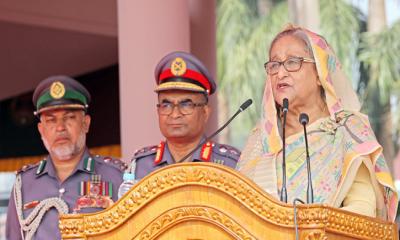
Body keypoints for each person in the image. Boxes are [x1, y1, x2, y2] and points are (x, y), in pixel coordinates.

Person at [236, 25, 398, 221]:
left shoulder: (347, 131)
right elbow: (236, 211)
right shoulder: (260, 142)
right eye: (274, 65)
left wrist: (309, 228)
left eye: (292, 62)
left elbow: (362, 210)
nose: (280, 73)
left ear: (320, 73)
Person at [6, 76, 127, 239]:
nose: (60, 127)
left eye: (69, 118)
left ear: (85, 123)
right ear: (41, 130)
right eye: (51, 120)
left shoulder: (117, 177)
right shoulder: (24, 185)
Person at [130, 51, 240, 180]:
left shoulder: (230, 165)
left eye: (186, 105)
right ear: (158, 111)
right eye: (166, 105)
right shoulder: (141, 166)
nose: (175, 114)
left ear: (205, 112)